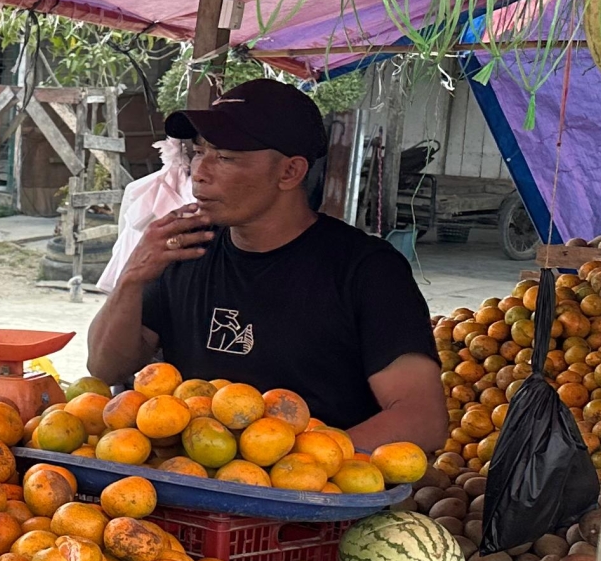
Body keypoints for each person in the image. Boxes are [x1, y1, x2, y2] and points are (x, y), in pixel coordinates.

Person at [87, 77, 445, 449]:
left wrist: (297, 466)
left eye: (225, 157)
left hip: (316, 493)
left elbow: (422, 418)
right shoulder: (187, 249)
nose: (200, 172)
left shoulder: (367, 271)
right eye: (199, 152)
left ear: (290, 172)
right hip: (192, 482)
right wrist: (132, 277)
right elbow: (105, 368)